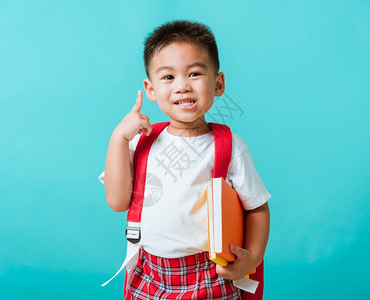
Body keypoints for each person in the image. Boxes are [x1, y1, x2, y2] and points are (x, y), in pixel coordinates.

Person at [99, 20, 271, 299]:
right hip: (151, 272)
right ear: (151, 89)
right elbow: (118, 202)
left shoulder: (229, 147)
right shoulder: (141, 143)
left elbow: (257, 209)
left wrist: (252, 257)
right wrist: (118, 139)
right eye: (168, 77)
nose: (182, 86)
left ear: (218, 84)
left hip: (212, 275)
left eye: (194, 74)